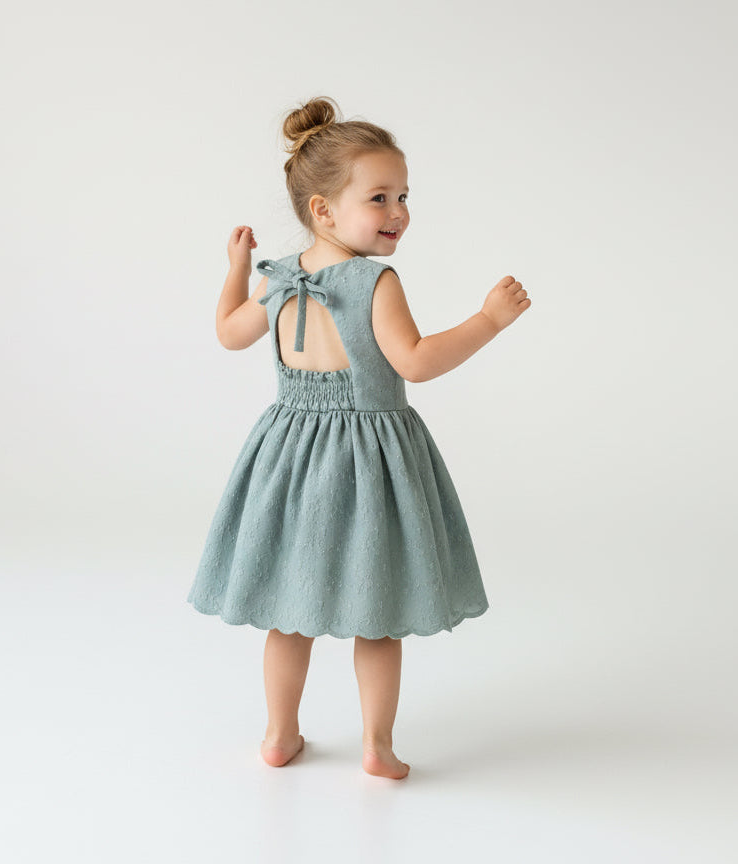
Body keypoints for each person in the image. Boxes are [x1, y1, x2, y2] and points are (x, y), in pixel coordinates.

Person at [187, 96, 531, 780]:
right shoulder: (375, 281)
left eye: (402, 196)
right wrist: (487, 320)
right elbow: (415, 362)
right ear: (324, 210)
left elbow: (228, 333)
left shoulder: (279, 279)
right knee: (378, 611)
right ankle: (377, 746)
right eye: (379, 198)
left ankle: (279, 735)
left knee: (288, 610)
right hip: (370, 461)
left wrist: (237, 267)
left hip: (288, 456)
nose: (398, 212)